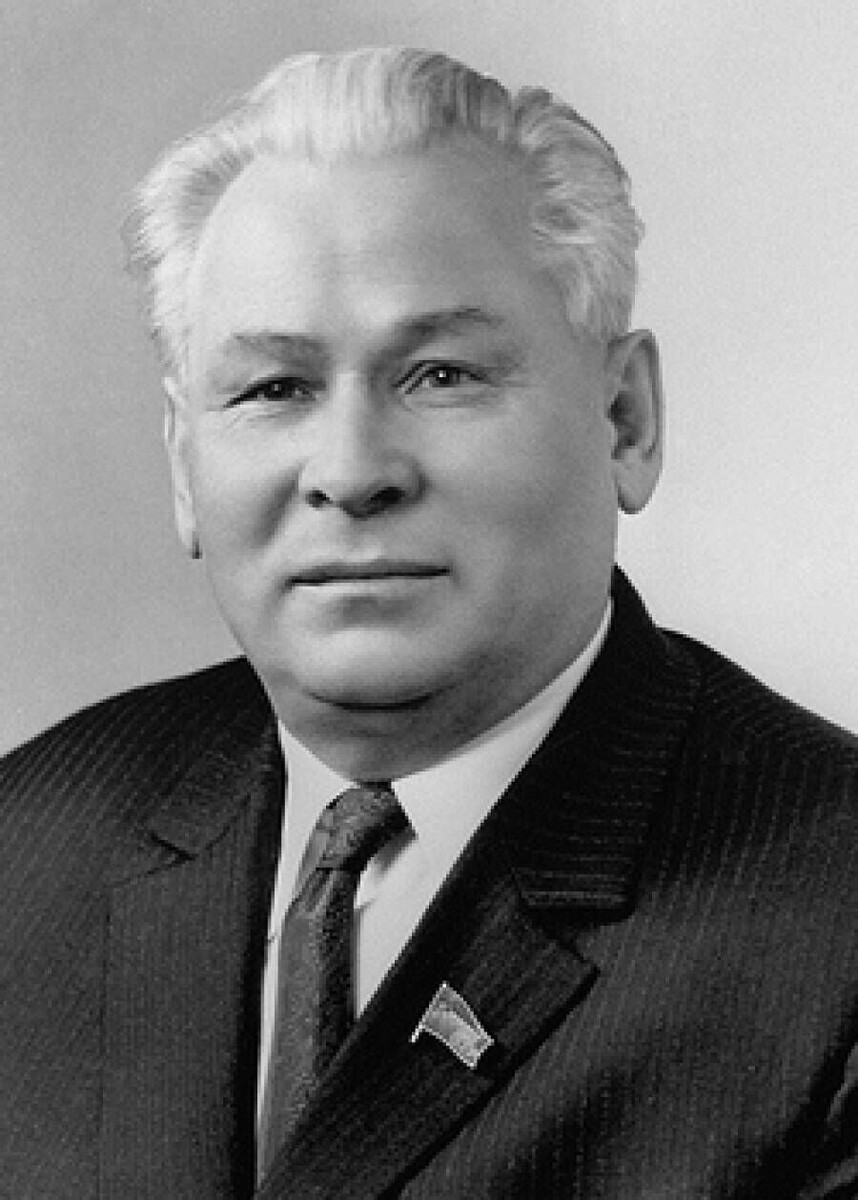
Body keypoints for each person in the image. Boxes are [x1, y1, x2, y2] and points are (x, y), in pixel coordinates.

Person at [1, 46, 856, 1200]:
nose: (352, 472)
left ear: (626, 421)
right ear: (182, 465)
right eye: (274, 389)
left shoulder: (833, 938)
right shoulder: (29, 844)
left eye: (442, 374)